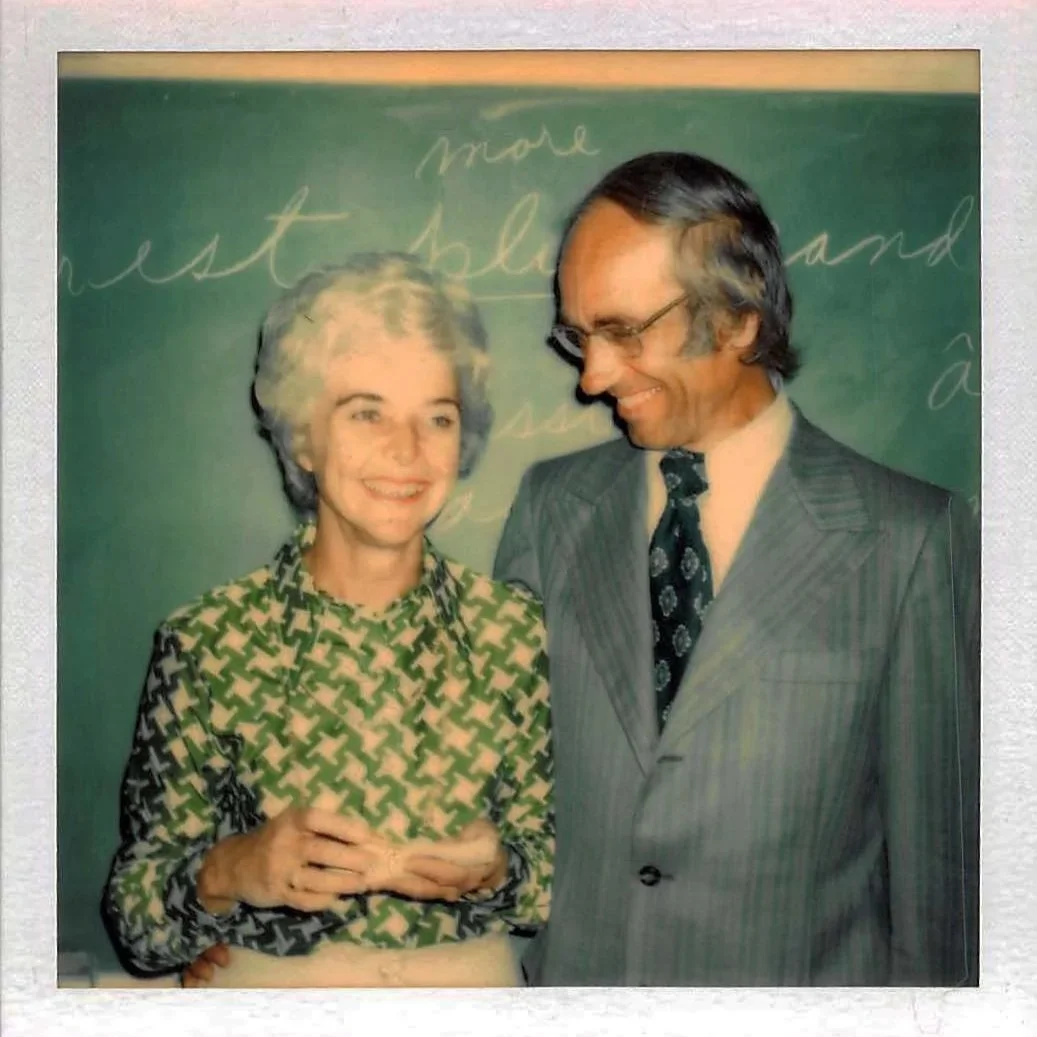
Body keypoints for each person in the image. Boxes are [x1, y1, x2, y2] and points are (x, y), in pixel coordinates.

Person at [491, 152, 979, 986]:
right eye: (579, 334)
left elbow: (942, 887)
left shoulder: (910, 539)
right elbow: (489, 786)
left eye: (623, 331)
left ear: (739, 318)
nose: (592, 376)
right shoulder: (550, 506)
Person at [102, 252, 553, 988]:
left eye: (435, 416)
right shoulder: (208, 641)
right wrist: (230, 868)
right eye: (366, 411)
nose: (406, 450)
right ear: (303, 437)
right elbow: (135, 921)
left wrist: (501, 869)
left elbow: (558, 879)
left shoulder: (513, 632)